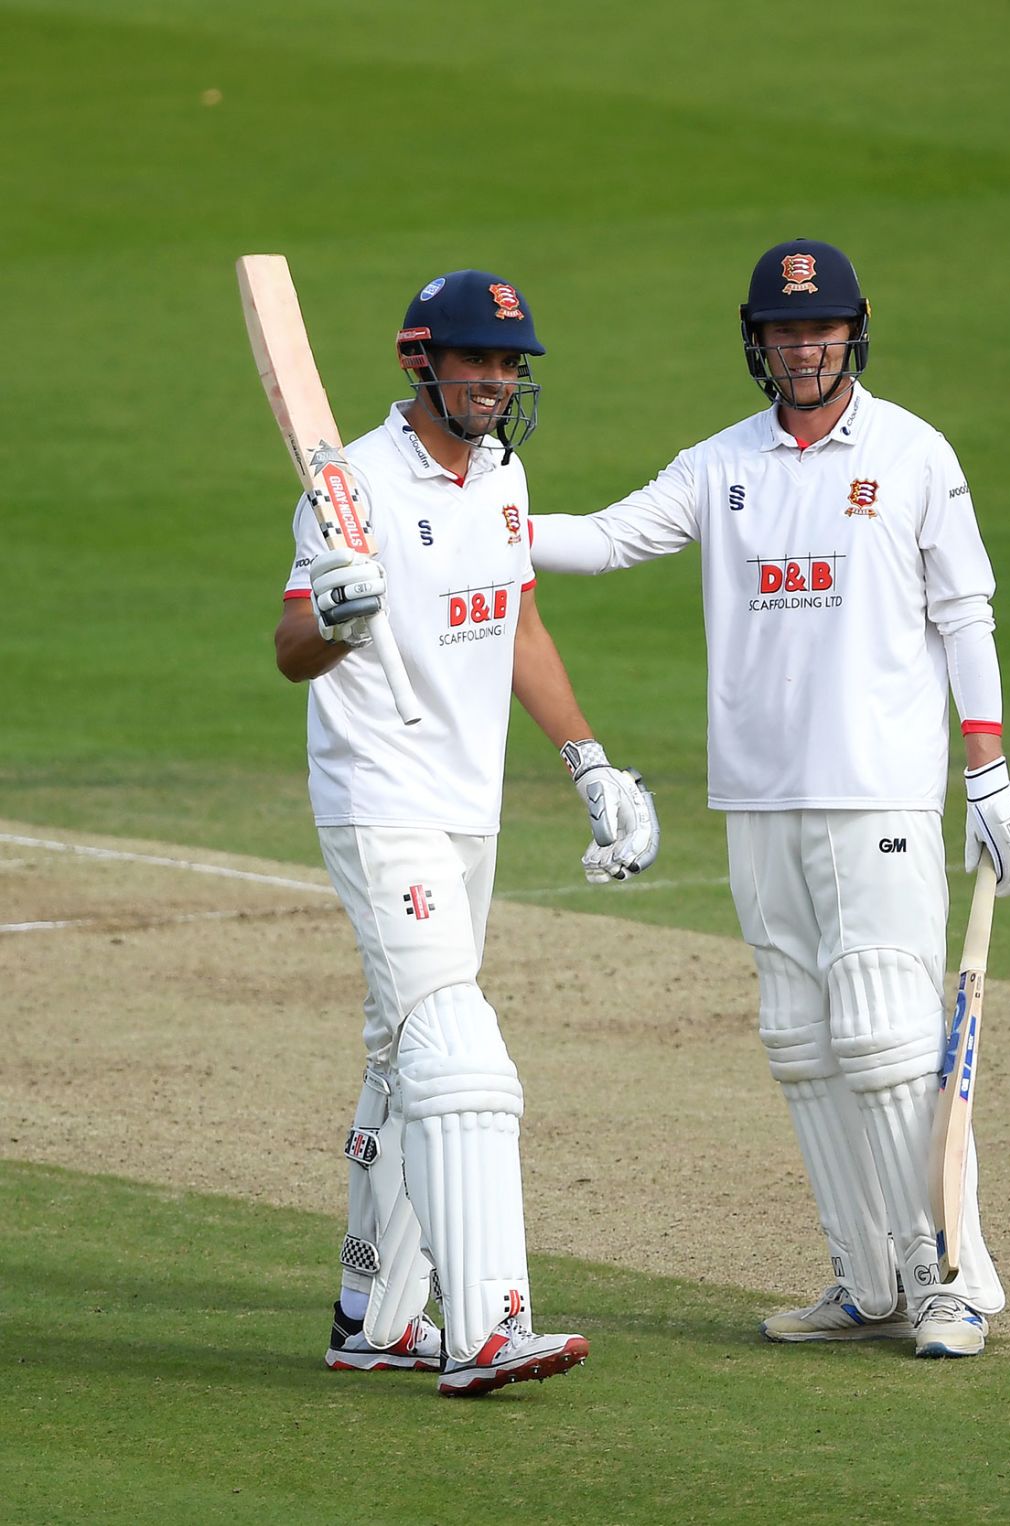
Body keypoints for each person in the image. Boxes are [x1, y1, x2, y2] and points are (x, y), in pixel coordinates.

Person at [529, 238, 1010, 1358]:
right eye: (781, 331)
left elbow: (966, 613)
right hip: (758, 797)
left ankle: (955, 1279)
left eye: (816, 329)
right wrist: (490, 531)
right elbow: (611, 537)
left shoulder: (912, 454)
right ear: (755, 342)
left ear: (849, 332)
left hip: (877, 795)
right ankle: (866, 1277)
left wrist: (989, 772)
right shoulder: (722, 466)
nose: (800, 347)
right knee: (801, 1039)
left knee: (888, 1036)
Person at [274, 267, 658, 1396]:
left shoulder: (502, 474)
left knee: (403, 1051)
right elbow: (292, 643)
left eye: (509, 363)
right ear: (419, 361)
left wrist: (587, 760)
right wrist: (334, 619)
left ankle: (372, 1311)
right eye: (476, 360)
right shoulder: (347, 484)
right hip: (379, 796)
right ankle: (489, 1321)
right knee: (456, 1047)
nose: (496, 380)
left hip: (464, 805)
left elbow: (516, 612)